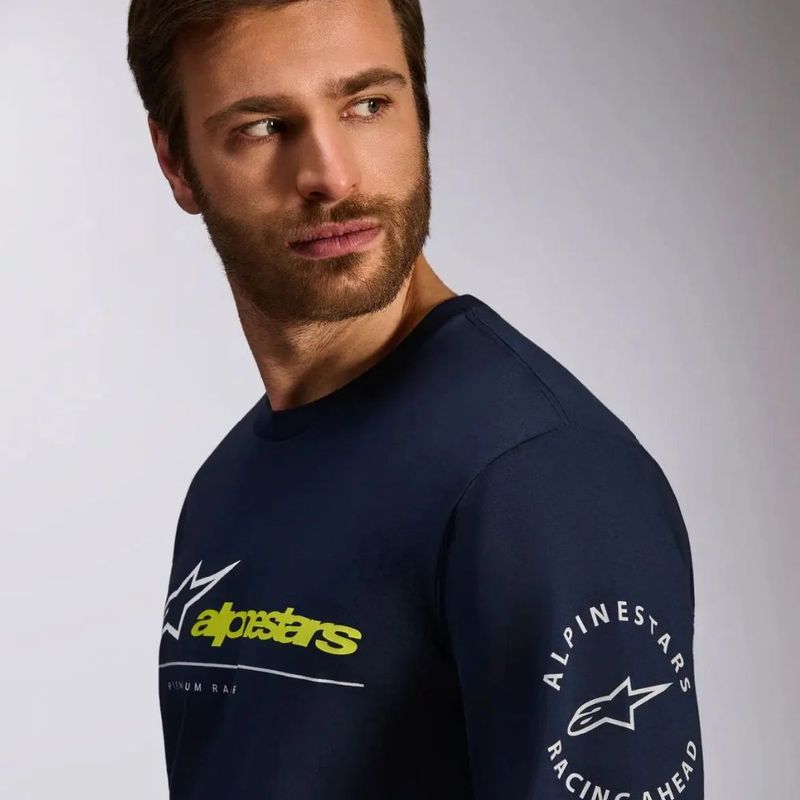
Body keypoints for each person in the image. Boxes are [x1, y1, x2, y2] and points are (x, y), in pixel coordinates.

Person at [127, 1, 704, 797]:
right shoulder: (225, 485)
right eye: (263, 126)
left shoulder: (541, 479)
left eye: (367, 105)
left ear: (420, 109)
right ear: (176, 162)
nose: (330, 175)